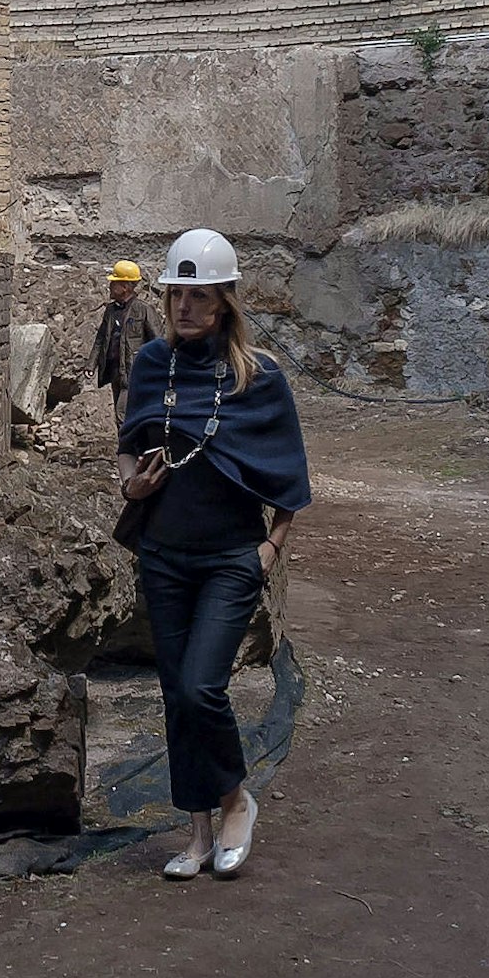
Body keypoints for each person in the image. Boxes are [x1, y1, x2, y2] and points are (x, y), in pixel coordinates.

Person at [116, 228, 310, 880]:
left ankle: (234, 799)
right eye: (177, 294)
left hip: (231, 556)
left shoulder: (259, 377)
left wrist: (269, 550)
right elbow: (129, 444)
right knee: (176, 695)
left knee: (202, 687)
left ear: (225, 300)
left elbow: (291, 478)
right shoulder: (150, 365)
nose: (185, 308)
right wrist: (130, 484)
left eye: (200, 296)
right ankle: (197, 834)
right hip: (164, 554)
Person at [88, 259, 152, 393]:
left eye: (113, 283)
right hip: (114, 371)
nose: (109, 286)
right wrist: (91, 365)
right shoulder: (111, 310)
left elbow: (158, 341)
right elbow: (100, 339)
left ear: (125, 287)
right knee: (119, 412)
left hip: (133, 372)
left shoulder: (144, 310)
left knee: (122, 411)